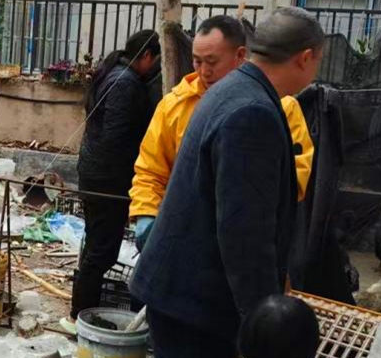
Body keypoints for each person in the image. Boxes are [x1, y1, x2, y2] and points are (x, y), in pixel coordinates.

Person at [131, 6, 325, 358]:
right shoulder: (252, 112)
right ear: (306, 57)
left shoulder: (233, 92)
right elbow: (243, 233)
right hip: (199, 299)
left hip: (181, 291)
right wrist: (263, 328)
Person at [129, 16, 314, 251]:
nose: (204, 72)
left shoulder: (280, 107)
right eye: (197, 61)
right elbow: (150, 170)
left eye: (212, 62)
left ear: (240, 55)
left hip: (248, 239)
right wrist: (147, 215)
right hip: (179, 236)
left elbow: (296, 176)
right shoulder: (175, 105)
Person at [61, 29, 161, 335]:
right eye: (156, 62)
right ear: (146, 56)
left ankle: (81, 313)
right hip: (106, 180)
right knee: (101, 251)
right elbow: (116, 139)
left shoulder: (115, 73)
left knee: (96, 246)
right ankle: (80, 316)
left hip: (96, 174)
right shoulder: (125, 83)